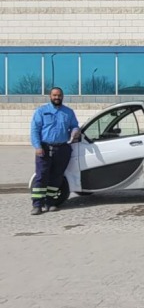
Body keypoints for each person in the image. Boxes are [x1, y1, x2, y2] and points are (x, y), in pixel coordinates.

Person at [29, 87, 80, 215]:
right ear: (50, 96)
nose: (57, 97)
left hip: (62, 148)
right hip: (44, 149)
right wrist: (37, 147)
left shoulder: (68, 112)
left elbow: (74, 125)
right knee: (41, 176)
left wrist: (75, 131)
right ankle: (37, 205)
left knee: (57, 177)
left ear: (63, 96)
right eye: (54, 95)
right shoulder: (41, 111)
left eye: (59, 95)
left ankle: (50, 202)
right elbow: (35, 131)